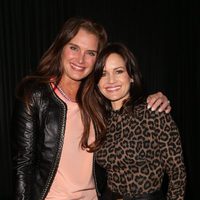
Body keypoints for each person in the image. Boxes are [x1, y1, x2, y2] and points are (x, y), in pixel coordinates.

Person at [11, 17, 171, 200]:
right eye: (74, 48)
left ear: (98, 59)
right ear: (60, 48)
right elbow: (23, 164)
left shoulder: (100, 98)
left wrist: (153, 100)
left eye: (91, 53)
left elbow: (131, 117)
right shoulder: (35, 94)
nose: (81, 59)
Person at [78, 43, 186, 200]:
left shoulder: (154, 113)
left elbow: (178, 174)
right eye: (103, 74)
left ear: (132, 77)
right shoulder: (100, 119)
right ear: (97, 82)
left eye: (119, 71)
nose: (111, 80)